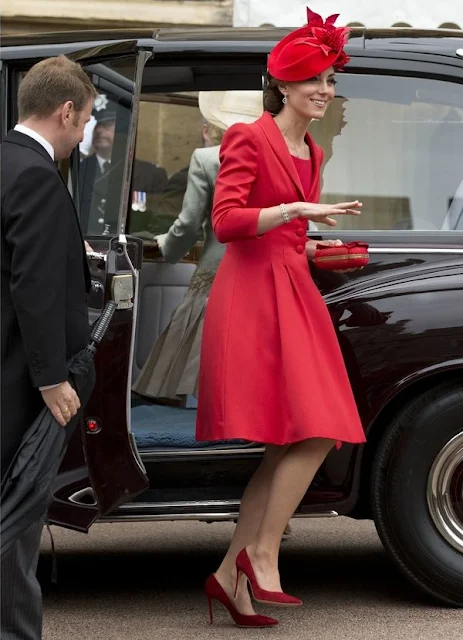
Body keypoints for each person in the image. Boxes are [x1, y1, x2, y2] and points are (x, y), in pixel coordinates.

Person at [197, 8, 366, 628]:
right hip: (253, 298)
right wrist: (296, 207)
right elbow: (227, 222)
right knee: (318, 427)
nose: (325, 90)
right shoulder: (249, 136)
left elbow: (288, 234)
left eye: (330, 80)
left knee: (298, 437)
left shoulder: (313, 150)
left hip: (292, 289)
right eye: (315, 79)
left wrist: (321, 242)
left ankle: (227, 576)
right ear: (285, 85)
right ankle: (261, 557)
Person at [1, 55, 96, 640]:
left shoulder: (6, 161)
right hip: (22, 378)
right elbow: (31, 286)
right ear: (65, 112)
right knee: (16, 516)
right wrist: (51, 377)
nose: (83, 133)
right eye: (84, 121)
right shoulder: (37, 175)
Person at [133, 90, 264, 403]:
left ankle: (199, 409)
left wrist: (167, 247)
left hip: (218, 266)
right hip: (264, 267)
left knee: (203, 348)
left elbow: (189, 224)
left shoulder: (206, 158)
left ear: (213, 126)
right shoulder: (278, 156)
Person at [79, 101, 169, 234]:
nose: (99, 130)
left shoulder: (149, 174)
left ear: (124, 131)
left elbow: (159, 222)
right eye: (97, 124)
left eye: (107, 125)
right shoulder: (79, 169)